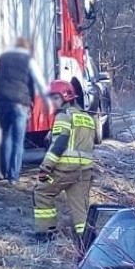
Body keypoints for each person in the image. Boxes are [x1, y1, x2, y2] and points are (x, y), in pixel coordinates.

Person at [32, 80, 96, 244]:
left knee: (42, 191)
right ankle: (86, 242)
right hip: (84, 173)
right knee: (80, 207)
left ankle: (45, 235)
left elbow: (59, 144)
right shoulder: (87, 117)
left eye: (54, 98)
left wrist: (46, 167)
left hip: (62, 171)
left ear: (65, 96)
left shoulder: (63, 115)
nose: (52, 102)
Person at [0, 37, 49, 186]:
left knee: (6, 136)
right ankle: (13, 177)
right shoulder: (28, 60)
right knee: (18, 141)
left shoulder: (3, 58)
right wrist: (48, 101)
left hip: (2, 101)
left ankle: (6, 173)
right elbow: (38, 81)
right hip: (20, 102)